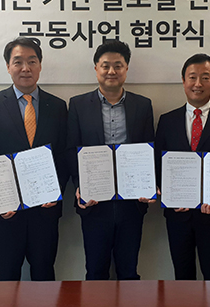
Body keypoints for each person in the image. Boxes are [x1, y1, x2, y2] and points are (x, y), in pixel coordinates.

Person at [0, 37, 68, 281]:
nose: (25, 68)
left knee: (44, 275)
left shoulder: (58, 106)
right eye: (18, 62)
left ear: (40, 65)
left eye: (32, 61)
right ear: (8, 66)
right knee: (7, 277)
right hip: (7, 212)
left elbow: (63, 155)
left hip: (45, 210)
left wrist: (55, 191)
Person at [67, 39, 155, 280]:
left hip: (131, 202)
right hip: (94, 202)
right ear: (96, 68)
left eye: (118, 65)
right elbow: (71, 149)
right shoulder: (78, 105)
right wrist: (79, 186)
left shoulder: (142, 105)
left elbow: (149, 150)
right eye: (105, 65)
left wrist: (149, 185)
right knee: (96, 271)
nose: (111, 71)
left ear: (126, 69)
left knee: (129, 272)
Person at [154, 53, 210, 280]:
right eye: (192, 77)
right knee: (182, 278)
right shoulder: (167, 121)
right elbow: (159, 163)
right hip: (178, 214)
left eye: (205, 77)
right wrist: (169, 196)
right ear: (183, 81)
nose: (198, 84)